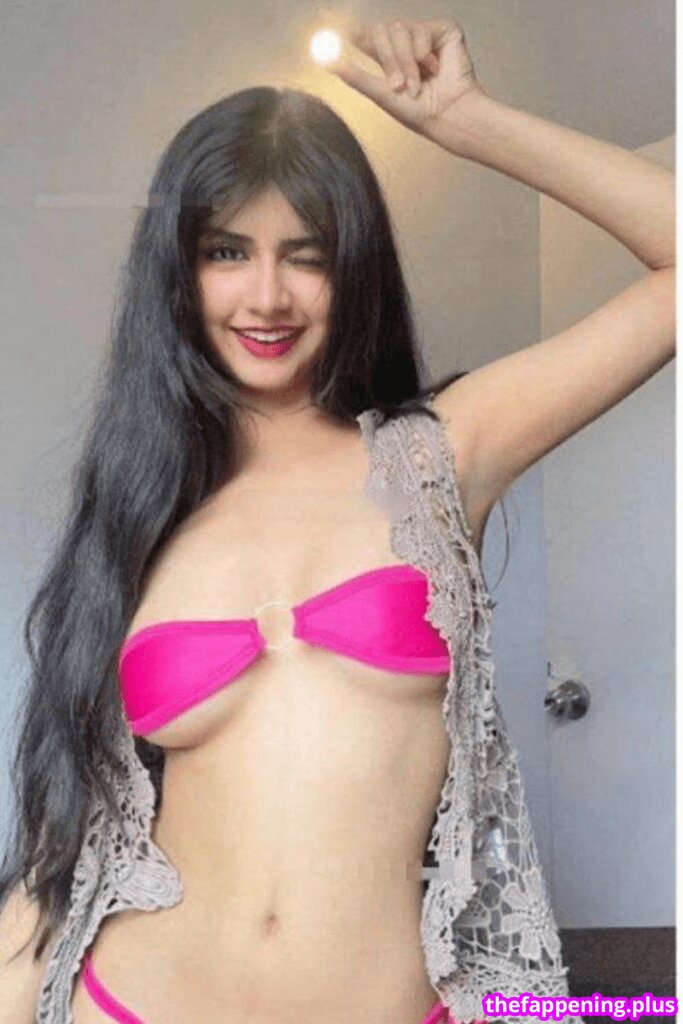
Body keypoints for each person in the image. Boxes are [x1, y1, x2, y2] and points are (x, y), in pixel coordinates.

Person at [0, 14, 674, 1024]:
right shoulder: (140, 510)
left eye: (305, 255)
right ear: (177, 269)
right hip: (133, 999)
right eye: (227, 251)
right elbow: (64, 846)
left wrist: (467, 122)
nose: (266, 295)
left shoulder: (438, 452)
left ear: (352, 266)